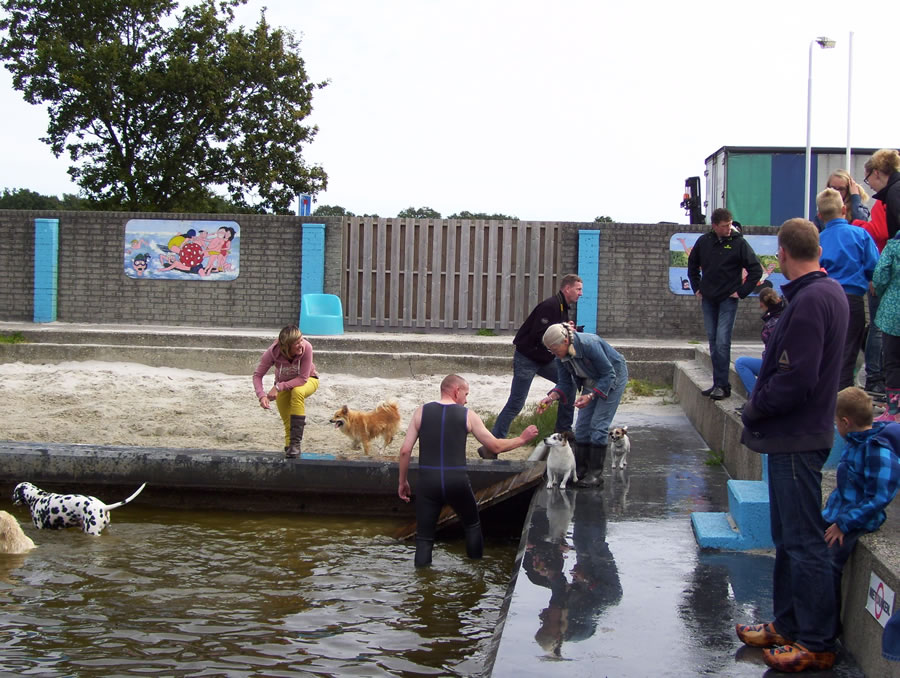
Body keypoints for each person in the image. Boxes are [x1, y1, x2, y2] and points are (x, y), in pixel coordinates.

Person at [736, 218, 849, 673]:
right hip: (797, 434)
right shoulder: (827, 293)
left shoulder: (809, 302)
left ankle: (818, 641)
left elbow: (795, 378)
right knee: (787, 537)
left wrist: (755, 408)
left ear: (782, 253)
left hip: (797, 435)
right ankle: (788, 622)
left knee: (803, 541)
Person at [397, 374, 538, 567]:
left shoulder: (421, 412)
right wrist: (521, 439)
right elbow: (495, 446)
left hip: (427, 482)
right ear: (456, 391)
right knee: (472, 525)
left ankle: (423, 582)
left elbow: (405, 451)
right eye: (466, 393)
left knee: (424, 537)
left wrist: (402, 481)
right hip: (457, 481)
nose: (466, 399)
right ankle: (476, 572)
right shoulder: (467, 415)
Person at [478, 274, 583, 460]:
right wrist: (564, 329)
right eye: (578, 289)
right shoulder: (550, 306)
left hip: (543, 359)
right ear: (567, 289)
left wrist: (567, 328)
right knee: (516, 403)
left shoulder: (562, 307)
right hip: (527, 358)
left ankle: (563, 429)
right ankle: (492, 444)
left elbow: (555, 332)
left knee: (569, 383)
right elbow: (540, 334)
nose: (581, 293)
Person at [823, 387, 900, 636]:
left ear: (845, 422)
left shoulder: (878, 449)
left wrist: (843, 524)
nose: (835, 426)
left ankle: (828, 631)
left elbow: (879, 497)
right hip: (840, 513)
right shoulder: (854, 442)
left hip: (858, 520)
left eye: (836, 421)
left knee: (829, 565)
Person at [537, 324, 628, 488]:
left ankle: (595, 474)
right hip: (590, 379)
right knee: (582, 425)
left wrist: (591, 395)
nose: (553, 354)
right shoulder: (561, 356)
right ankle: (580, 470)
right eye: (550, 350)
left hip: (613, 376)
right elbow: (564, 383)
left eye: (554, 349)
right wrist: (551, 397)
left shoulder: (589, 344)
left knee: (598, 425)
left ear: (565, 341)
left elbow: (609, 373)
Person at [687, 208, 763, 400]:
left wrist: (742, 291)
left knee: (722, 340)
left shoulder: (739, 243)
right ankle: (718, 383)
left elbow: (755, 270)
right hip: (708, 298)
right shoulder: (704, 242)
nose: (729, 229)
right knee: (713, 341)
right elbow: (692, 265)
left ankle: (723, 385)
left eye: (730, 224)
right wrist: (696, 287)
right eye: (725, 226)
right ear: (715, 226)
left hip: (728, 298)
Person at [817, 187, 880, 390]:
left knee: (824, 351)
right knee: (848, 354)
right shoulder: (860, 234)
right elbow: (873, 267)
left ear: (819, 215)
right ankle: (841, 401)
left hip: (824, 300)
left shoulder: (817, 239)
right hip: (852, 300)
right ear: (844, 210)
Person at [252, 325, 319, 458]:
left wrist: (278, 387)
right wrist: (261, 396)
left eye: (301, 340)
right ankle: (291, 450)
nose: (301, 344)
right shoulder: (272, 353)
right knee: (288, 421)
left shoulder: (307, 347)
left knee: (297, 392)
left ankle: (295, 444)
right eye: (297, 343)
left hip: (309, 381)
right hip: (284, 386)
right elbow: (257, 376)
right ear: (286, 346)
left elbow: (302, 379)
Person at [733, 287, 785, 397]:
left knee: (741, 363)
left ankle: (756, 399)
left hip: (775, 366)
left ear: (761, 304)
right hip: (787, 366)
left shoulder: (772, 323)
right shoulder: (787, 313)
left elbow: (772, 350)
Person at [873, 224, 900, 423]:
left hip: (893, 313)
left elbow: (880, 276)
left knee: (893, 362)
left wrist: (886, 294)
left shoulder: (894, 244)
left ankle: (894, 410)